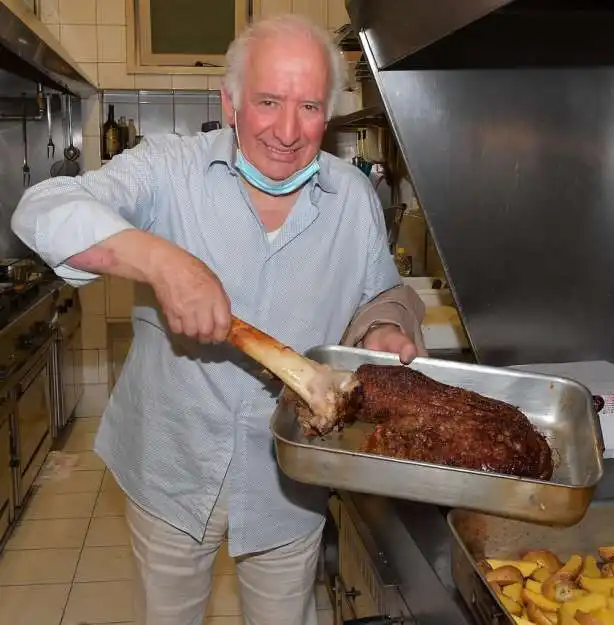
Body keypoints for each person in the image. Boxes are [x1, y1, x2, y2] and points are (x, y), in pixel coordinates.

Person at [11, 13, 427, 625]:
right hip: (171, 465)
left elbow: (381, 291)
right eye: (267, 102)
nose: (288, 131)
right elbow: (42, 211)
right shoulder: (167, 170)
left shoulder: (354, 198)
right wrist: (160, 260)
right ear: (229, 102)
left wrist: (384, 327)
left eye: (309, 107)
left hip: (288, 478)